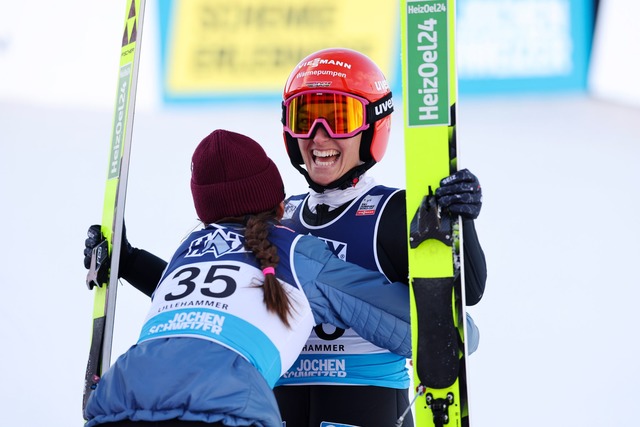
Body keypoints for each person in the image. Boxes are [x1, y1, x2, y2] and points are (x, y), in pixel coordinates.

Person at [83, 48, 487, 426]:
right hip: (275, 401)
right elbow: (219, 295)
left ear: (372, 126)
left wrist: (460, 222)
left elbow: (465, 291)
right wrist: (129, 261)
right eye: (303, 119)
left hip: (365, 401)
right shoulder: (276, 216)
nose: (318, 135)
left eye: (338, 119)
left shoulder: (391, 211)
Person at [83, 129, 417, 427]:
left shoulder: (189, 249)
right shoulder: (296, 253)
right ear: (280, 205)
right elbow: (414, 330)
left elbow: (205, 313)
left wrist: (127, 261)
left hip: (117, 400)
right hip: (227, 410)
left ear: (203, 211)